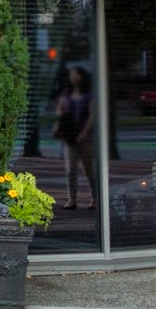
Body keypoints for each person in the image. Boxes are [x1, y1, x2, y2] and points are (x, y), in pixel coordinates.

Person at [57, 64, 98, 210]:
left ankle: (95, 198)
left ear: (82, 76)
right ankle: (72, 199)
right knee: (70, 170)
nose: (73, 77)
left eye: (76, 74)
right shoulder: (67, 94)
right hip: (70, 136)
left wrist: (84, 133)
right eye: (71, 75)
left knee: (88, 169)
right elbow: (60, 111)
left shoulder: (89, 95)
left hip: (85, 137)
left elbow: (92, 116)